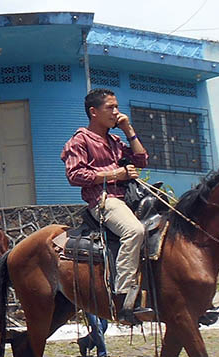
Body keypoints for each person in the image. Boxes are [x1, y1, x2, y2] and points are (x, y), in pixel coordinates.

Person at [61, 88, 154, 325]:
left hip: (129, 199)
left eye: (117, 107)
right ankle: (123, 297)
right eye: (110, 108)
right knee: (134, 231)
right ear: (94, 112)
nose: (116, 112)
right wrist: (115, 174)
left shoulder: (115, 140)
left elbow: (142, 159)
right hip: (104, 201)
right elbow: (75, 175)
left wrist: (129, 130)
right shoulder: (79, 140)